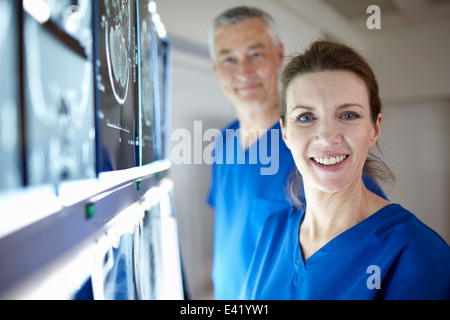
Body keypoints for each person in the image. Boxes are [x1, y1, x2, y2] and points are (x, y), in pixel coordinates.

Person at [239, 40, 450, 299]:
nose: (327, 137)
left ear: (375, 128)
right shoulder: (273, 230)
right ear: (284, 132)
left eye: (348, 115)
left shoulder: (417, 256)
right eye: (306, 117)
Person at [207, 6, 387, 300]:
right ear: (216, 67)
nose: (244, 71)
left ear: (278, 54)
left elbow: (372, 237)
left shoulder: (314, 148)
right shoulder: (223, 142)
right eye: (228, 58)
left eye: (255, 54)